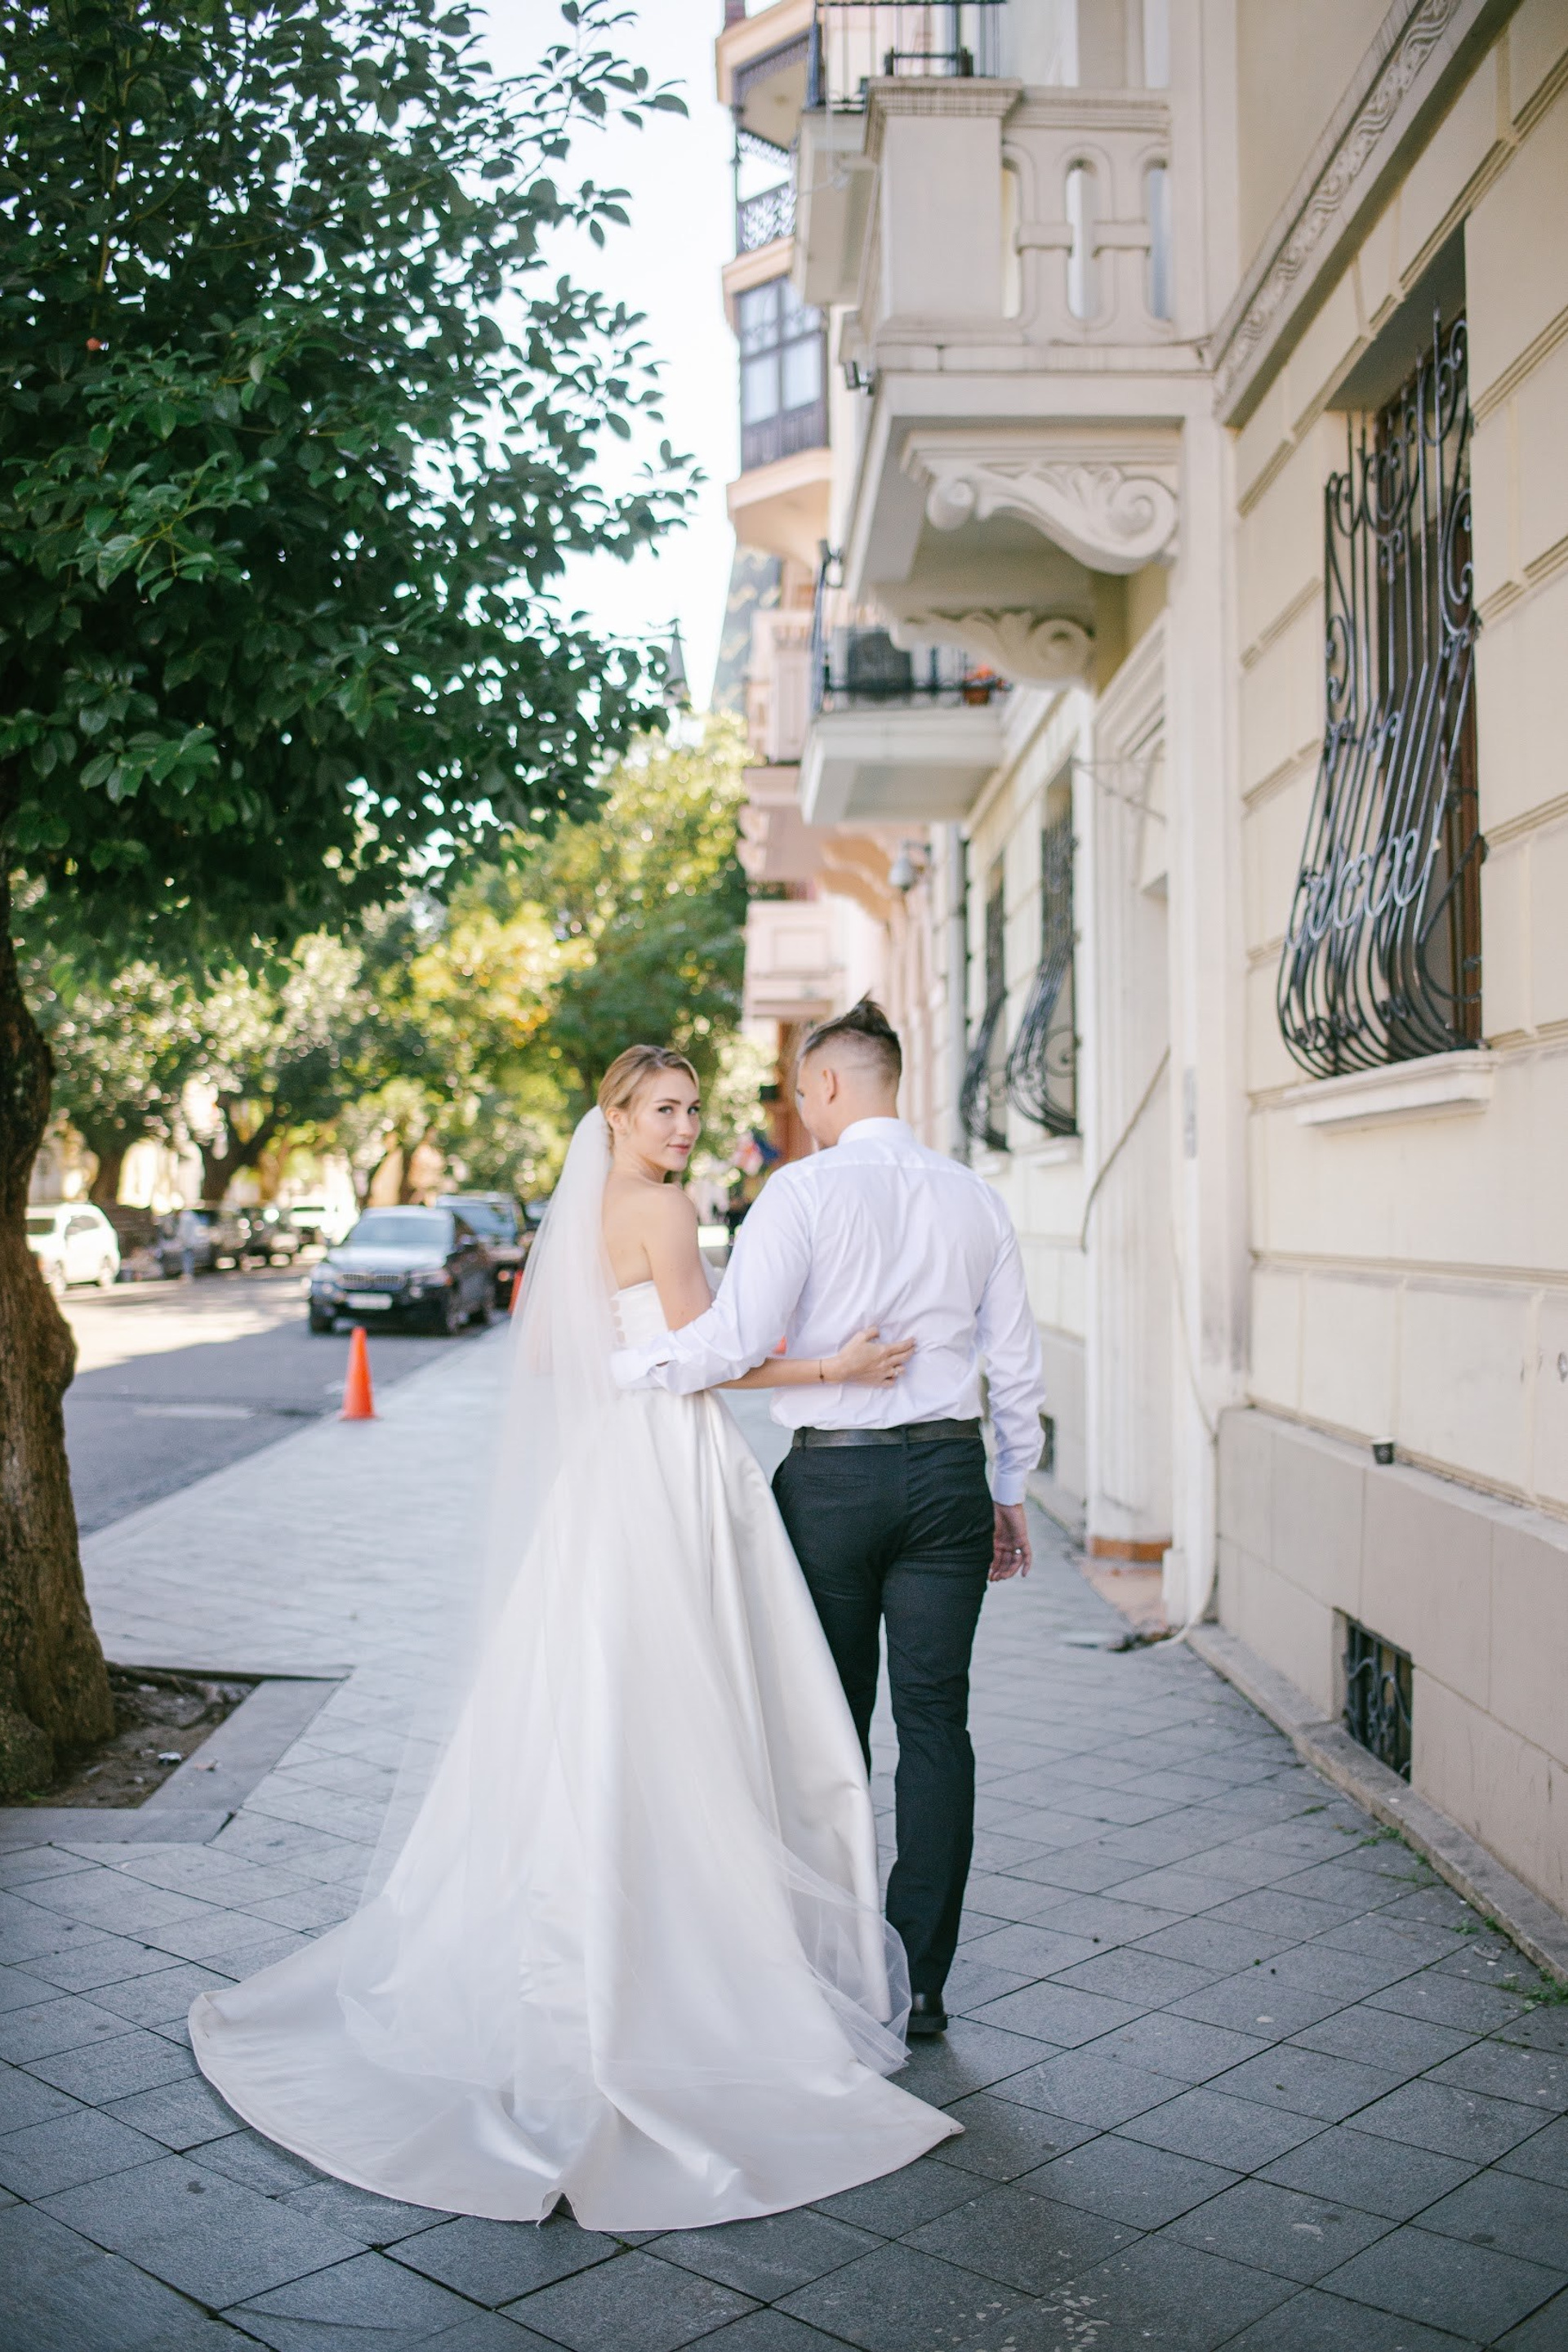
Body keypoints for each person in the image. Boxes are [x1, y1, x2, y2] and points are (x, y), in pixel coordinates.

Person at [189, 1045, 959, 2230]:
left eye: (695, 1110)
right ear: (616, 1114)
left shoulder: (582, 1214)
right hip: (673, 1471)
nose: (685, 1128)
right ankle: (689, 1949)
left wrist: (644, 1367)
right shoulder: (661, 1207)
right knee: (695, 1698)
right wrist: (837, 1364)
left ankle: (579, 1918)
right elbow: (716, 1358)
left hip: (603, 1478)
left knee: (581, 1695)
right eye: (664, 1109)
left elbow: (557, 1357)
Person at [613, 1000, 1046, 2041]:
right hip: (947, 1479)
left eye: (804, 1091)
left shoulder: (799, 1193)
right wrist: (1010, 1491)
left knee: (827, 1723)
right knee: (938, 1726)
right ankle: (926, 1982)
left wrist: (623, 1368)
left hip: (833, 1486)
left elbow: (730, 1342)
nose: (799, 1109)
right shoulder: (976, 1199)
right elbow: (1018, 1368)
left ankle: (839, 1963)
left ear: (837, 1087)